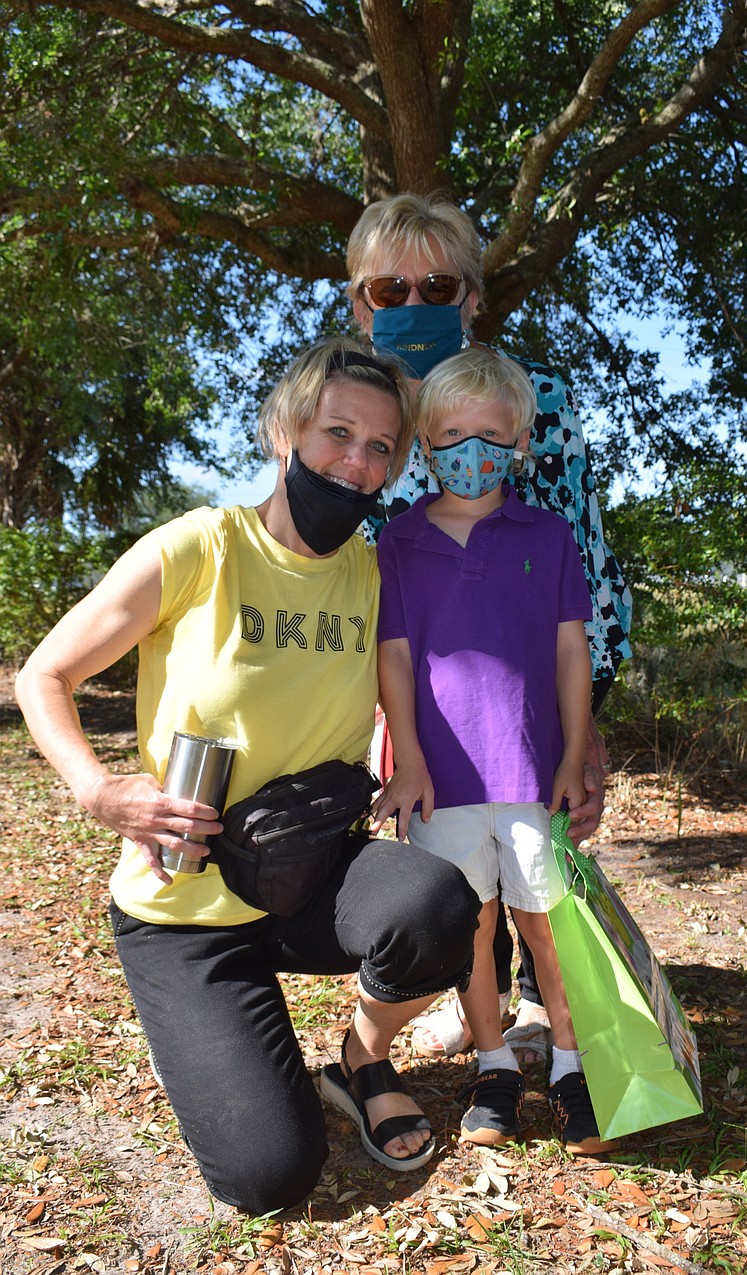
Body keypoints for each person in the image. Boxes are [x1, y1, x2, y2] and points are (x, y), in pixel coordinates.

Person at [14, 337, 480, 1216]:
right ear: (286, 430)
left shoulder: (371, 574)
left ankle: (361, 1055)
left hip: (309, 876)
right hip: (185, 912)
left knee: (438, 904)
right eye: (339, 431)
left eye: (382, 448)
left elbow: (411, 678)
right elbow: (42, 674)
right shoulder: (201, 547)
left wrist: (416, 758)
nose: (359, 460)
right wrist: (97, 788)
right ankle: (205, 1029)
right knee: (270, 1178)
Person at [347, 192, 632, 1060]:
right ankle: (476, 1014)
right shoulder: (350, 408)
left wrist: (586, 729)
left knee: (535, 844)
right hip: (401, 682)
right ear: (357, 303)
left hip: (526, 684)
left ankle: (541, 1008)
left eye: (436, 283)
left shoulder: (534, 399)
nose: (411, 303)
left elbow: (578, 555)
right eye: (385, 290)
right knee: (449, 857)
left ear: (473, 295)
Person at [372, 348, 613, 1153]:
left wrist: (576, 754)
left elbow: (573, 652)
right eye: (450, 433)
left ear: (519, 443)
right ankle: (495, 1063)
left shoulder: (547, 535)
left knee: (545, 925)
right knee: (471, 926)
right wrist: (407, 757)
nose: (469, 450)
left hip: (530, 775)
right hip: (442, 782)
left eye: (490, 434)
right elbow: (395, 656)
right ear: (423, 442)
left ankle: (573, 1065)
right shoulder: (399, 543)